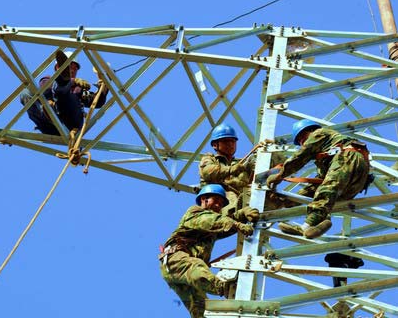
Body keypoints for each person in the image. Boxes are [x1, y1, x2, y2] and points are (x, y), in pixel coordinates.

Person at [159, 184, 259, 318]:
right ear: (203, 200)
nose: (218, 206)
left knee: (202, 310)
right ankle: (225, 288)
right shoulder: (194, 213)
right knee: (198, 268)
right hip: (176, 260)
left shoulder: (212, 229)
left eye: (221, 204)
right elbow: (211, 221)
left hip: (181, 272)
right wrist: (237, 224)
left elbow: (224, 225)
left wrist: (242, 215)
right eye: (215, 201)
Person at [266, 119, 370, 239]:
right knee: (327, 194)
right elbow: (318, 183)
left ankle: (307, 225)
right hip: (358, 178)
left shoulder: (319, 133)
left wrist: (280, 175)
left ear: (309, 130)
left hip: (348, 157)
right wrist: (288, 201)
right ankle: (321, 220)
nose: (302, 143)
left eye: (302, 139)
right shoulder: (327, 154)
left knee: (327, 189)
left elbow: (300, 156)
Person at [199, 123, 295, 216]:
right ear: (215, 145)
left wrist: (266, 151)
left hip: (246, 197)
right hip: (225, 202)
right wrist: (231, 169)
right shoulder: (210, 159)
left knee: (260, 158)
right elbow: (208, 172)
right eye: (226, 141)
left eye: (233, 141)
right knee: (232, 196)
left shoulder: (240, 164)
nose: (230, 144)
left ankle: (296, 163)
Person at [20, 50, 108, 135]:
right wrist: (72, 81)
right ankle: (50, 111)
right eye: (70, 67)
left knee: (65, 93)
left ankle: (54, 104)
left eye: (75, 69)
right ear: (57, 67)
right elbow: (46, 88)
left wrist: (104, 82)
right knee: (26, 92)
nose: (73, 70)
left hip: (70, 122)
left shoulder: (78, 89)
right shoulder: (48, 81)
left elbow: (98, 101)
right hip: (48, 125)